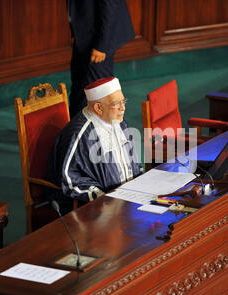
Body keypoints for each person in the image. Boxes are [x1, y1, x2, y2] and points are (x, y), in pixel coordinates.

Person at [46, 77, 142, 214]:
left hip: (127, 199)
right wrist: (103, 198)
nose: (123, 107)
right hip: (97, 208)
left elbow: (133, 161)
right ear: (98, 107)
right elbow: (69, 179)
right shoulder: (79, 134)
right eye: (116, 104)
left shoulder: (119, 121)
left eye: (123, 101)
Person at [67, 0, 135, 117]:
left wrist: (102, 46)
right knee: (79, 87)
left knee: (97, 91)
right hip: (84, 35)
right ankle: (75, 130)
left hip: (97, 39)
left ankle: (92, 133)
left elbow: (110, 6)